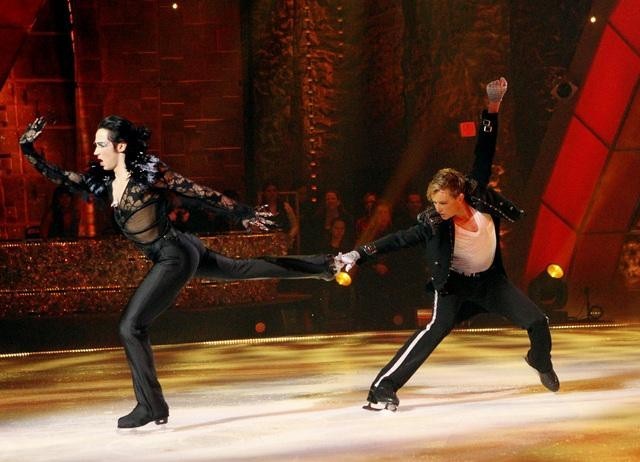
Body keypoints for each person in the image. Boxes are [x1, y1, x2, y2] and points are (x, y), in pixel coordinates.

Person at [19, 115, 338, 428]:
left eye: (102, 144)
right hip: (182, 248)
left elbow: (197, 191)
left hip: (174, 254)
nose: (96, 151)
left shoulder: (148, 173)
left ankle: (150, 406)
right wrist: (29, 150)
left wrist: (242, 212)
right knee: (242, 269)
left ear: (121, 146)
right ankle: (324, 266)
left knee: (131, 327)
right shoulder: (104, 183)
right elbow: (62, 177)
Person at [335, 77, 559, 412]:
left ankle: (539, 361)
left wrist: (492, 109)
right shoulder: (434, 224)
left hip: (491, 283)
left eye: (442, 203)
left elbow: (485, 149)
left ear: (460, 196)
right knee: (432, 332)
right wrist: (359, 253)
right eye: (434, 203)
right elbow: (398, 239)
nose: (435, 209)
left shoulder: (478, 195)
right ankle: (382, 388)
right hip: (454, 288)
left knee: (538, 322)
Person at [260, 182, 299, 247]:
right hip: (267, 244)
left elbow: (295, 226)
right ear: (264, 193)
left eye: (274, 190)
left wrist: (289, 237)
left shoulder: (286, 207)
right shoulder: (260, 210)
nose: (272, 193)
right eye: (269, 191)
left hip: (283, 244)